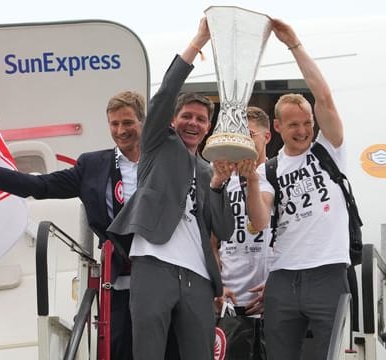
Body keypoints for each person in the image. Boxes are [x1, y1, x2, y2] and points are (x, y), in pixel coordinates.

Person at [0, 90, 145, 360]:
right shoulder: (92, 165)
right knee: (119, 349)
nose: (121, 130)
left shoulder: (160, 162)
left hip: (161, 274)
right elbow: (41, 186)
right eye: (114, 124)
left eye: (128, 122)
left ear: (142, 122)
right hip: (119, 278)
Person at [107, 17, 235, 360]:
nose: (193, 123)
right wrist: (198, 41)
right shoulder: (158, 145)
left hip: (198, 275)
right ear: (172, 120)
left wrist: (220, 185)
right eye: (187, 116)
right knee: (148, 351)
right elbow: (165, 93)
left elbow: (225, 229)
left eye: (201, 119)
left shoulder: (210, 169)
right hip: (154, 262)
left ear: (208, 128)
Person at [244, 18, 350, 360]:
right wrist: (250, 180)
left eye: (307, 123)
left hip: (329, 271)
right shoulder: (269, 169)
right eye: (294, 124)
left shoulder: (327, 149)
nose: (303, 130)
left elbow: (324, 95)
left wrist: (294, 44)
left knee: (329, 353)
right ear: (277, 127)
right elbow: (259, 221)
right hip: (284, 277)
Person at [211, 106, 273, 359]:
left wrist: (278, 285)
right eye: (240, 136)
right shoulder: (222, 179)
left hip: (269, 299)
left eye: (251, 135)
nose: (245, 143)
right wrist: (217, 285)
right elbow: (212, 242)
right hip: (229, 303)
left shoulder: (276, 174)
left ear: (266, 136)